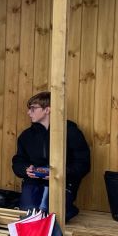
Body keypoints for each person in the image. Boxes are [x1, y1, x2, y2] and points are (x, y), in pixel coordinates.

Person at [12, 91, 91, 221]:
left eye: (33, 108)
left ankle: (68, 208)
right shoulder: (26, 136)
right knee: (29, 215)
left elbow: (83, 164)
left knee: (51, 216)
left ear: (47, 110)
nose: (28, 112)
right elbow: (18, 161)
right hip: (33, 182)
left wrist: (60, 173)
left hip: (62, 183)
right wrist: (25, 169)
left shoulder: (71, 132)